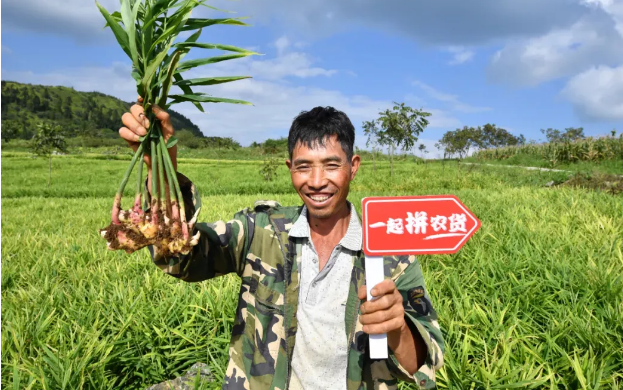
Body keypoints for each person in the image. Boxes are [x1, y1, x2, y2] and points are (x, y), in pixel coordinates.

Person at [119, 103, 445, 390]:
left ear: (353, 166)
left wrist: (397, 327)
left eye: (331, 165)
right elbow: (182, 258)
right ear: (289, 168)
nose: (317, 181)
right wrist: (160, 168)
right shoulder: (262, 232)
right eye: (304, 166)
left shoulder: (390, 254)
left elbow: (425, 364)